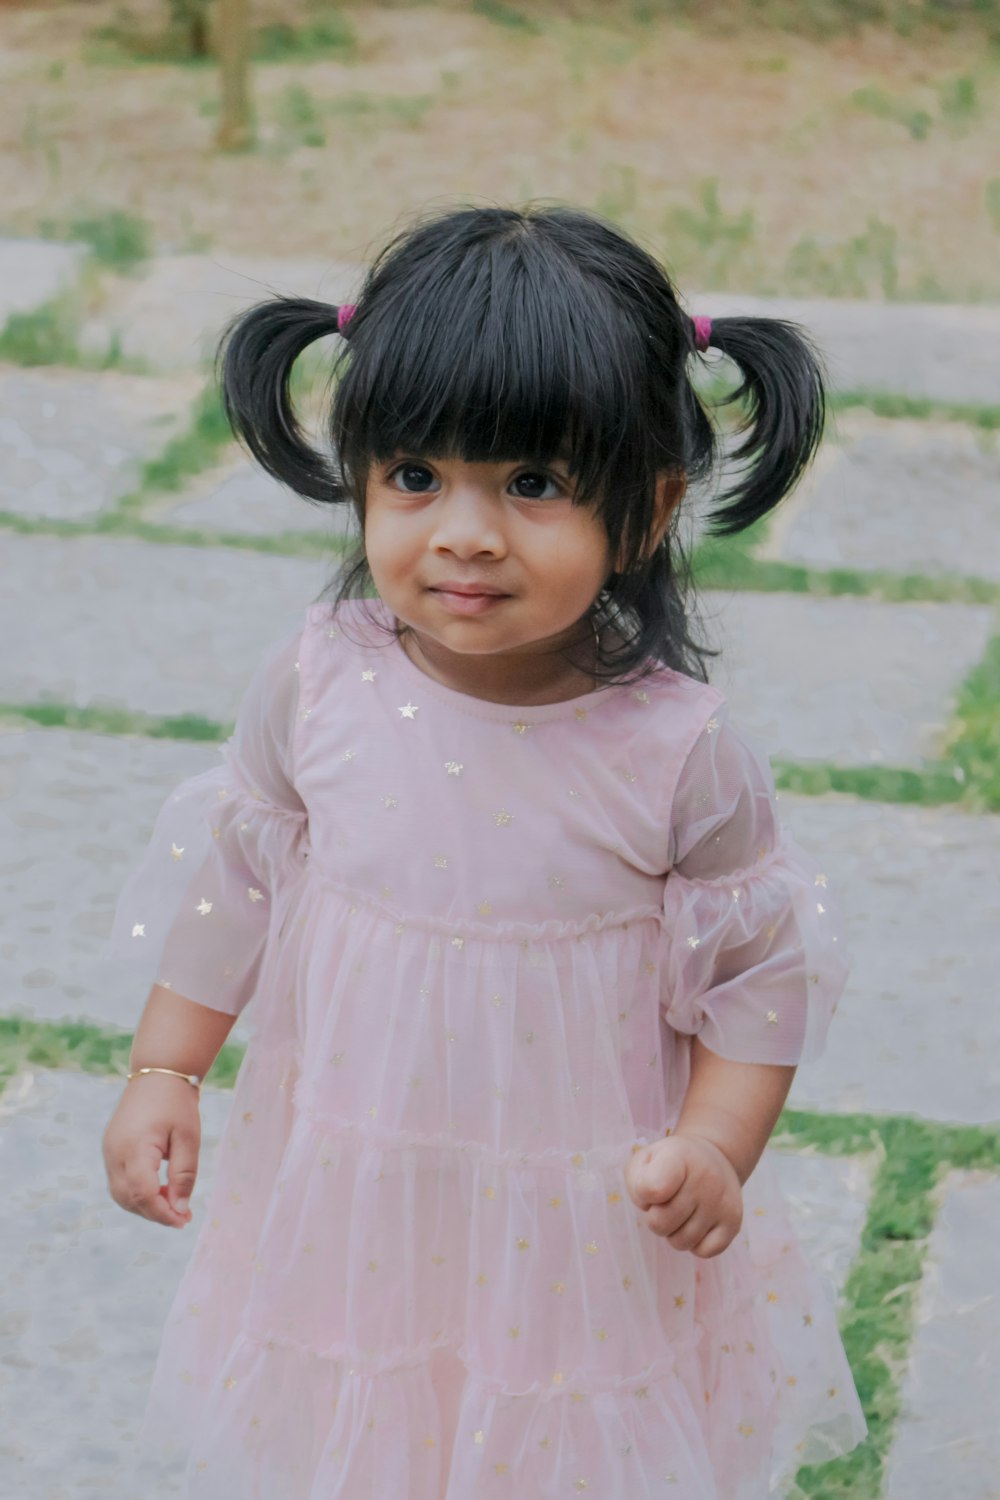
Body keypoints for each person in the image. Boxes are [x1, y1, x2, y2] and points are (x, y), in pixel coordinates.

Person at [102, 203, 867, 1498]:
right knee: (371, 1397)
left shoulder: (675, 752)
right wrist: (165, 1067)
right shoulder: (320, 683)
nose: (463, 531)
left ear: (648, 505)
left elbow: (756, 976)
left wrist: (716, 1147)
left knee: (558, 1425)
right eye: (415, 477)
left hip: (579, 1200)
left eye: (533, 483)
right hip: (362, 1160)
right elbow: (239, 875)